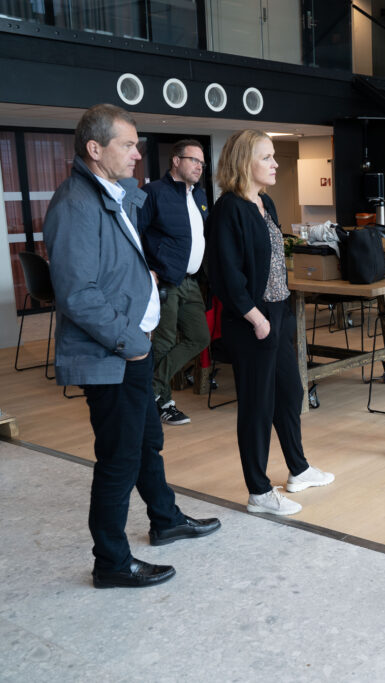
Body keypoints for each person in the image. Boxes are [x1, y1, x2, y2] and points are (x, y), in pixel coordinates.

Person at [42, 104, 220, 589]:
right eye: (127, 145)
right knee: (119, 459)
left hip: (130, 348)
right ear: (94, 149)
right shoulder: (75, 205)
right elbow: (78, 294)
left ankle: (165, 519)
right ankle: (112, 562)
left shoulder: (114, 194)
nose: (138, 154)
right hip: (114, 353)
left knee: (146, 443)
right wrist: (133, 342)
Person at [207, 129, 334, 515]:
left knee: (290, 391)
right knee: (257, 406)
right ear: (244, 162)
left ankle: (298, 468)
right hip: (251, 321)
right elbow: (224, 275)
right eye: (267, 157)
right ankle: (259, 491)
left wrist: (278, 315)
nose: (276, 163)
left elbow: (273, 263)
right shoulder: (228, 209)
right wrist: (256, 317)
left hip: (277, 313)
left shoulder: (265, 202)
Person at [139, 139, 210, 426]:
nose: (199, 167)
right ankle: (164, 403)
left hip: (191, 281)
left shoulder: (199, 195)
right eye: (194, 160)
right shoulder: (153, 192)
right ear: (176, 161)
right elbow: (134, 233)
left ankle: (151, 389)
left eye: (202, 163)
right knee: (165, 342)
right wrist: (147, 270)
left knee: (200, 337)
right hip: (165, 281)